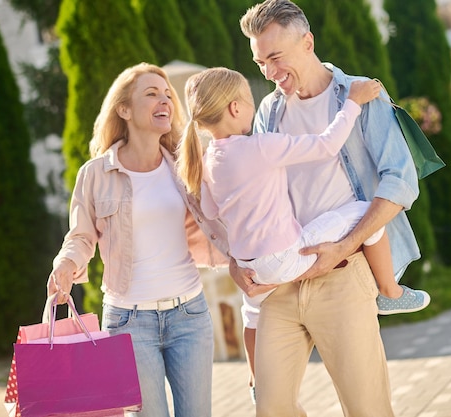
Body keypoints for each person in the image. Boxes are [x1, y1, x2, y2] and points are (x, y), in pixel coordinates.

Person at [177, 67, 430, 403]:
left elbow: (210, 211)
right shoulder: (261, 147)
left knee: (252, 315)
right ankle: (389, 290)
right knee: (362, 210)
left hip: (255, 269)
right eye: (250, 102)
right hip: (289, 259)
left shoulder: (208, 161)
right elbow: (327, 145)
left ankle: (257, 384)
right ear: (235, 109)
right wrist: (352, 102)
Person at [233, 0, 424, 415]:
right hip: (284, 281)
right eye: (260, 61)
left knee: (366, 407)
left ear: (308, 42)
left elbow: (400, 180)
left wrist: (345, 245)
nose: (269, 71)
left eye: (276, 57)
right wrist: (237, 260)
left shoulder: (360, 95)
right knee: (271, 407)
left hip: (342, 275)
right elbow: (253, 192)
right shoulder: (269, 111)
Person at [46, 62, 229, 417]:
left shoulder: (184, 163)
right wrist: (65, 264)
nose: (164, 101)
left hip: (189, 313)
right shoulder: (97, 173)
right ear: (124, 110)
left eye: (167, 95)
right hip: (129, 322)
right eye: (151, 94)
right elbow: (81, 235)